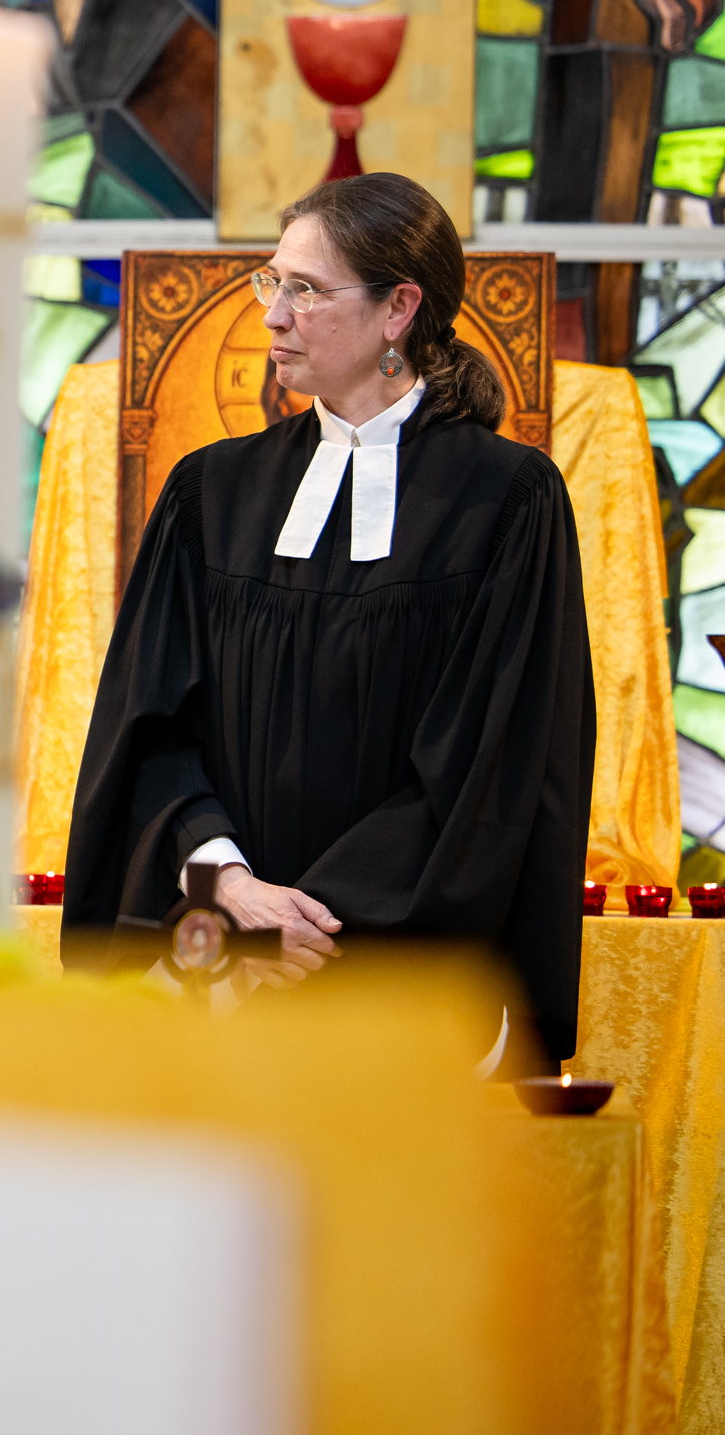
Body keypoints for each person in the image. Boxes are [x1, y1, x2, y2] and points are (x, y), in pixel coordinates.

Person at [62, 173, 593, 1064]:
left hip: (404, 990)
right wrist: (230, 886)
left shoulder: (506, 502)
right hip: (217, 970)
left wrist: (306, 927)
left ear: (399, 310)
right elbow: (147, 728)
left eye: (305, 289)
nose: (273, 315)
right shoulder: (211, 493)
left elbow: (494, 764)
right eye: (272, 282)